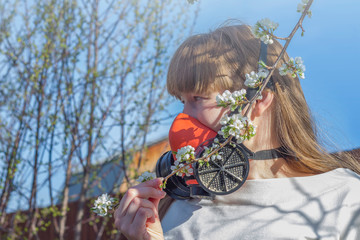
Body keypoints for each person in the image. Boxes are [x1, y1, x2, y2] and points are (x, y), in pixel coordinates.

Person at [114, 24, 360, 240]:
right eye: (182, 101)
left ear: (259, 99)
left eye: (198, 98)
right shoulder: (169, 207)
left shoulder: (343, 198)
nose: (182, 118)